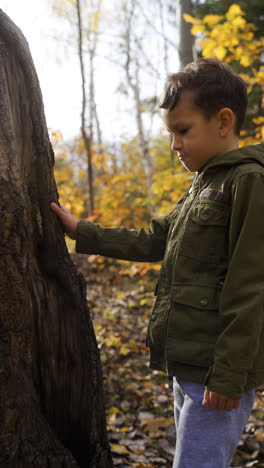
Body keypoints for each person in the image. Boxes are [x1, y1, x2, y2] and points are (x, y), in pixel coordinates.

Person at [51, 58, 264, 468]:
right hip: (187, 363)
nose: (175, 145)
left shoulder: (247, 182)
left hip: (215, 374)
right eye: (171, 133)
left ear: (223, 122)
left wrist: (228, 376)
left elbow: (250, 287)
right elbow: (154, 240)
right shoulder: (203, 184)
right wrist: (83, 231)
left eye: (182, 131)